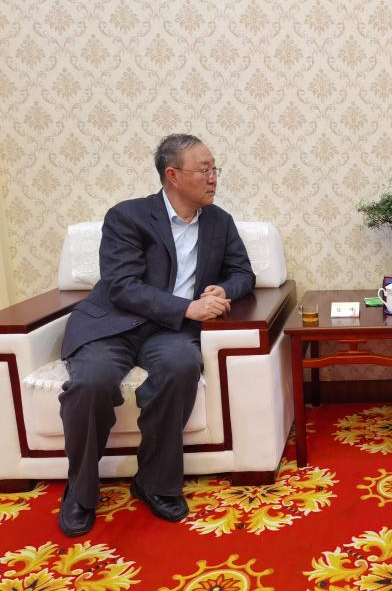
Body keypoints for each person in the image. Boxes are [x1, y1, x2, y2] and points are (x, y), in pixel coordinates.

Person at [58, 134, 255, 536]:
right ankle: (79, 491)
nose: (214, 178)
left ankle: (155, 483)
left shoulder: (219, 221)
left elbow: (243, 273)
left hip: (170, 332)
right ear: (173, 175)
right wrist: (186, 307)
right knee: (92, 381)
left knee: (181, 367)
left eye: (215, 169)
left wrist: (223, 290)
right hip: (113, 324)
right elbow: (121, 286)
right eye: (204, 170)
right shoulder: (127, 216)